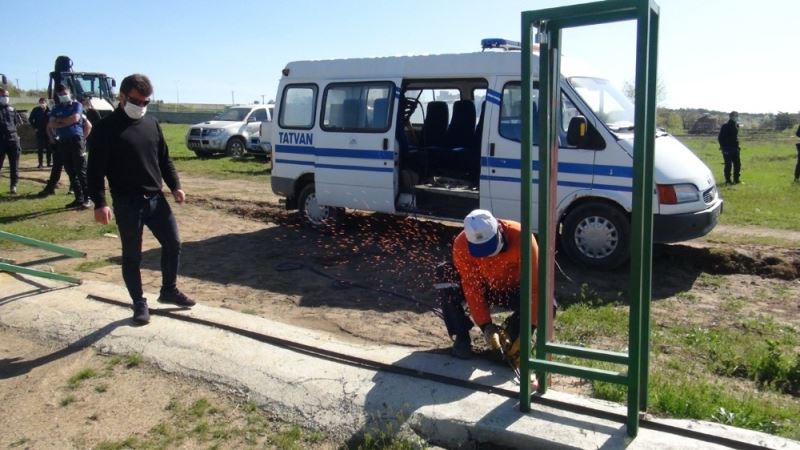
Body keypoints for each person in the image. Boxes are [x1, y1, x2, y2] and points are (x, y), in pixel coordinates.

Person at [88, 73, 195, 325]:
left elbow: (164, 159)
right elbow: (94, 171)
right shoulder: (105, 129)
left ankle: (169, 290)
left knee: (173, 243)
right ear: (122, 97)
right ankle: (138, 302)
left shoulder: (152, 124)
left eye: (146, 102)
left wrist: (175, 186)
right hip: (127, 203)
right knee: (132, 255)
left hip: (156, 199)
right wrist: (100, 203)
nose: (141, 106)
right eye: (136, 101)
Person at [435, 209, 542, 369]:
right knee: (445, 274)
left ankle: (515, 332)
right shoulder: (461, 245)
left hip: (515, 290)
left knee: (549, 303)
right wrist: (486, 326)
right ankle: (461, 337)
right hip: (487, 289)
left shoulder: (522, 238)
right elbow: (472, 288)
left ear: (499, 231)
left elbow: (535, 289)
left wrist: (529, 328)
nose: (489, 257)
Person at [48, 84, 91, 208]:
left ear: (70, 93)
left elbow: (75, 118)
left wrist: (59, 121)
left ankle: (88, 198)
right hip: (63, 141)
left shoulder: (77, 105)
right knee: (70, 171)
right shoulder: (56, 108)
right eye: (60, 94)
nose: (63, 96)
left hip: (76, 141)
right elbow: (51, 124)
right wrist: (66, 121)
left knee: (81, 170)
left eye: (64, 93)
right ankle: (79, 198)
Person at [0, 87, 23, 194]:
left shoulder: (12, 109)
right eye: (3, 95)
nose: (5, 97)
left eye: (7, 96)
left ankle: (13, 186)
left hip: (13, 139)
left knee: (14, 165)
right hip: (1, 140)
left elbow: (17, 123)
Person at [28, 97, 53, 169]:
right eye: (40, 102)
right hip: (39, 131)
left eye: (43, 102)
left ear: (46, 103)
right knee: (40, 148)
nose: (42, 104)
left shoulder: (50, 110)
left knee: (49, 148)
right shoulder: (36, 110)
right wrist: (35, 127)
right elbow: (30, 119)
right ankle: (40, 163)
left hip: (48, 131)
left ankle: (49, 162)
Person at [718, 111, 742, 185]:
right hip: (727, 149)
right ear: (731, 117)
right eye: (735, 116)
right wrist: (723, 147)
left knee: (737, 164)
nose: (736, 117)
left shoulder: (736, 125)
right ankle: (728, 180)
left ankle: (736, 180)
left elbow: (735, 137)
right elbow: (720, 138)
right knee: (728, 165)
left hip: (735, 148)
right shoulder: (725, 126)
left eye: (737, 116)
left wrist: (737, 147)